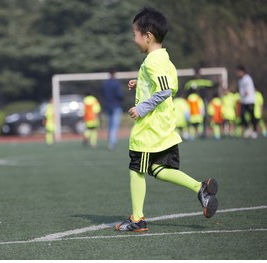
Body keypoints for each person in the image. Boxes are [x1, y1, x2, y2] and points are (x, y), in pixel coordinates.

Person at [115, 7, 219, 232]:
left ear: (148, 36)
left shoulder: (153, 61)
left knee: (137, 169)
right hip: (163, 126)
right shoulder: (164, 59)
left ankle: (138, 218)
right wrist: (139, 83)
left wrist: (141, 108)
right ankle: (199, 188)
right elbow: (168, 86)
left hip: (149, 129)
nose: (134, 40)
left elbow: (163, 92)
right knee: (158, 169)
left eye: (135, 35)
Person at [101, 68, 123, 150]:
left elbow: (102, 94)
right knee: (114, 125)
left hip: (107, 106)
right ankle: (112, 143)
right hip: (116, 106)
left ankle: (110, 141)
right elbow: (119, 95)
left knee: (109, 125)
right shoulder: (116, 83)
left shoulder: (105, 83)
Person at [235, 65, 258, 139]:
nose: (237, 73)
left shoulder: (247, 78)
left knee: (252, 116)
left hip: (250, 100)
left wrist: (245, 93)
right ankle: (248, 128)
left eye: (238, 72)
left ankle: (254, 131)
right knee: (241, 115)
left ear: (242, 71)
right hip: (243, 101)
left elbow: (248, 89)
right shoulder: (240, 80)